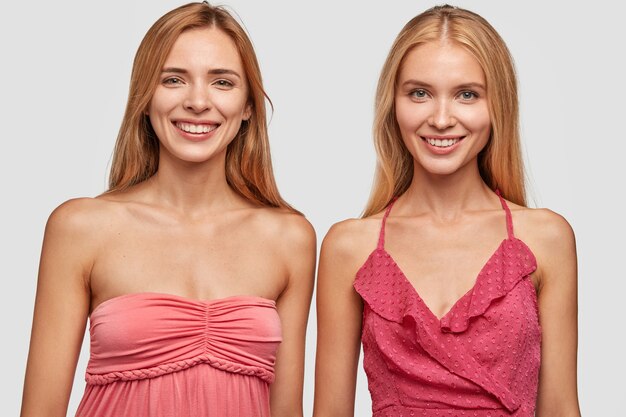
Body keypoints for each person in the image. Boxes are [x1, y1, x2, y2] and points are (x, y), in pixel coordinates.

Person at [20, 2, 315, 417]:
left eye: (222, 82)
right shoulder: (81, 227)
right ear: (144, 97)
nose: (197, 101)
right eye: (173, 79)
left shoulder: (290, 238)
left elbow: (287, 410)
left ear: (249, 106)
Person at [314, 5, 580, 417]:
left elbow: (561, 408)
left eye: (467, 94)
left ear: (498, 106)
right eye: (419, 93)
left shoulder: (545, 238)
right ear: (393, 104)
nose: (440, 118)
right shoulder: (348, 246)